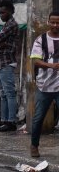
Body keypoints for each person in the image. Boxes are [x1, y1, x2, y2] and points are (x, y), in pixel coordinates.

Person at [29, 11, 59, 159]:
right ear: (48, 22)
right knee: (39, 118)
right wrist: (51, 66)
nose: (55, 25)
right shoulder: (41, 40)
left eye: (58, 22)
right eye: (52, 22)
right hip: (44, 86)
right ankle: (34, 146)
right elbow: (35, 61)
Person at [0, 0, 20, 132]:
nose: (1, 15)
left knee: (9, 93)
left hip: (7, 61)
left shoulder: (11, 25)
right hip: (1, 62)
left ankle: (11, 121)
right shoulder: (6, 25)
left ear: (10, 12)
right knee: (3, 94)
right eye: (0, 12)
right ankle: (4, 120)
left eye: (3, 12)